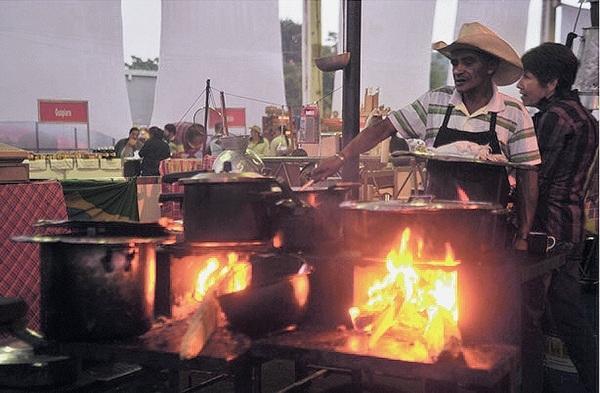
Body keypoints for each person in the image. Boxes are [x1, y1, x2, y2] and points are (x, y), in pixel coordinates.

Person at [312, 22, 541, 243]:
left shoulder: (514, 113)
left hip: (488, 232)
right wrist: (341, 157)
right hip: (436, 227)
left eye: (468, 62)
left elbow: (529, 176)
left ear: (491, 66)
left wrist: (523, 235)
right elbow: (383, 128)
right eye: (455, 63)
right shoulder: (435, 101)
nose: (458, 70)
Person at [517, 43, 598, 393]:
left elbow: (539, 177)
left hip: (548, 229)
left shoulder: (554, 118)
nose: (520, 84)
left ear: (551, 83)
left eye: (527, 76)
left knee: (533, 318)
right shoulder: (586, 117)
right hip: (572, 225)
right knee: (567, 317)